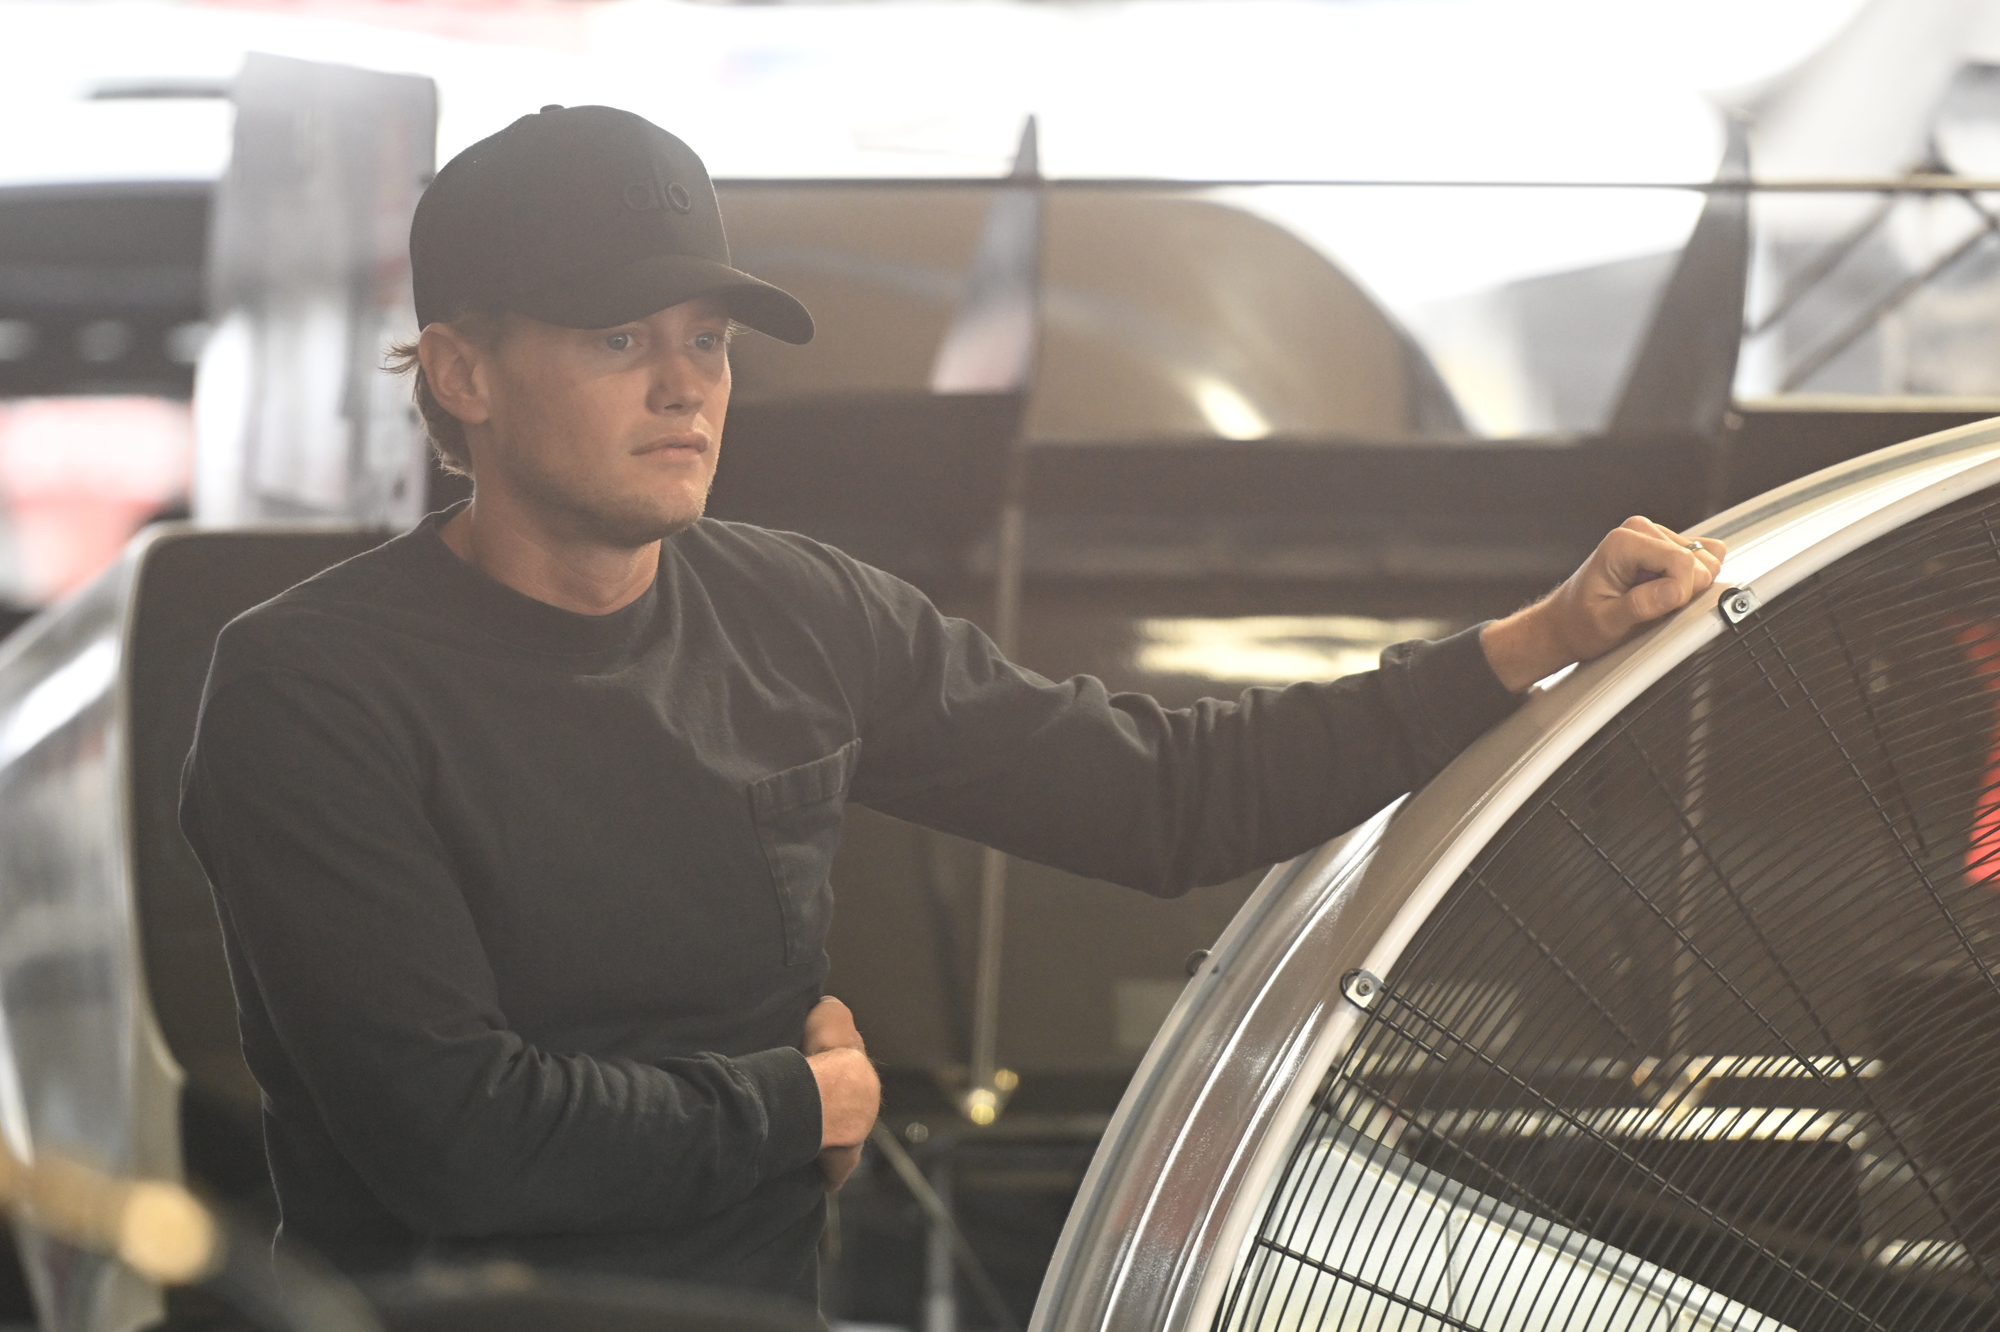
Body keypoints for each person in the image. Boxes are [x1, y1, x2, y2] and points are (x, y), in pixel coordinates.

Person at [178, 105, 1725, 1306]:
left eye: (706, 340)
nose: (686, 385)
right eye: (617, 340)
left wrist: (1536, 639)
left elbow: (1172, 797)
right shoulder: (311, 688)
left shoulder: (799, 614)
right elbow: (457, 1142)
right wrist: (798, 1105)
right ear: (462, 374)